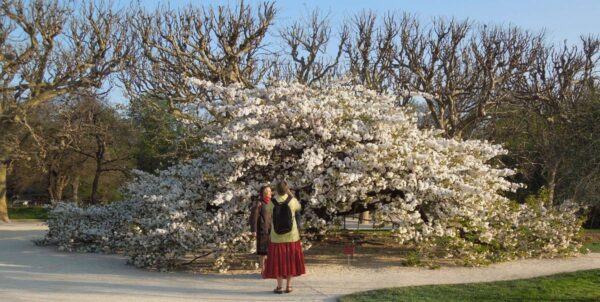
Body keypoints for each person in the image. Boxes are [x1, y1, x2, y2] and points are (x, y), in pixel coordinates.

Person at [262, 180, 306, 294]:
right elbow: (299, 208)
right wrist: (290, 194)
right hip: (292, 236)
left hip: (276, 237)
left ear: (276, 190)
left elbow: (268, 215)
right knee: (290, 261)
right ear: (287, 189)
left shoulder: (272, 202)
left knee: (278, 262)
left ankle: (279, 286)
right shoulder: (292, 201)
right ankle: (289, 286)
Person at [250, 185, 272, 275]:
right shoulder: (258, 203)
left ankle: (269, 268)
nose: (269, 193)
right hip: (262, 229)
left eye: (270, 191)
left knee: (271, 250)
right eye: (267, 191)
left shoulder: (272, 202)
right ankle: (263, 269)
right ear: (263, 193)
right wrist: (254, 230)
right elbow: (253, 217)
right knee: (263, 251)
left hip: (271, 229)